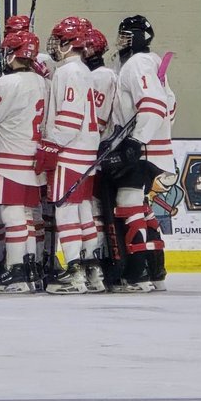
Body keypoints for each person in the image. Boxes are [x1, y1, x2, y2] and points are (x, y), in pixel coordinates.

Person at [107, 15, 176, 292]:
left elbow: (154, 105)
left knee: (128, 204)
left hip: (144, 152)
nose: (122, 39)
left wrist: (136, 140)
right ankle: (156, 269)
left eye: (127, 34)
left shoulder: (137, 64)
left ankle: (138, 273)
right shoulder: (153, 62)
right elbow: (170, 107)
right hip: (157, 151)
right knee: (143, 208)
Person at [35, 15, 100, 294]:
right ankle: (90, 270)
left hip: (70, 152)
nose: (56, 45)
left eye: (59, 40)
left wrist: (50, 145)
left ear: (68, 42)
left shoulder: (68, 72)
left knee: (66, 212)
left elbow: (70, 119)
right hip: (87, 152)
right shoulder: (84, 70)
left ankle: (73, 272)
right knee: (84, 211)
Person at [0, 29, 49, 293]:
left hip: (6, 157)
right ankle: (29, 266)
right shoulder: (42, 81)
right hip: (32, 156)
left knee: (12, 215)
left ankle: (15, 269)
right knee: (26, 216)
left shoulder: (7, 83)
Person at [81, 27, 117, 291]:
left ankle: (97, 265)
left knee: (93, 211)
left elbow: (99, 119)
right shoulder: (95, 75)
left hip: (97, 151)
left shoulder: (102, 76)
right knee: (92, 211)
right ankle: (95, 264)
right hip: (95, 149)